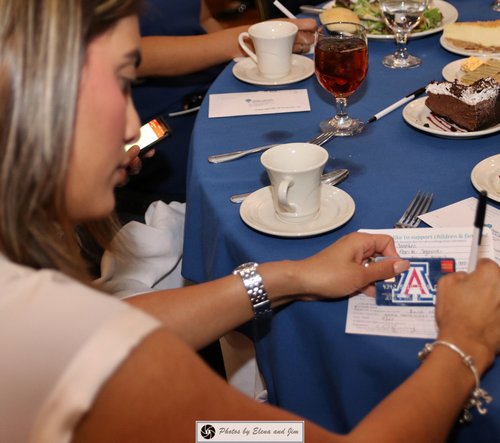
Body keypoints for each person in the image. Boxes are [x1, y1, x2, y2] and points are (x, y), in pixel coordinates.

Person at [0, 1, 499, 442]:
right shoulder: (56, 340)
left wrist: (290, 276)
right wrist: (464, 343)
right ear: (38, 90)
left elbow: (127, 341)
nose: (134, 126)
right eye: (123, 80)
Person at [119, 0, 317, 208]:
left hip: (216, 90)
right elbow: (132, 55)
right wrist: (248, 40)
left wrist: (260, 53)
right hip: (170, 121)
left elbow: (203, 18)